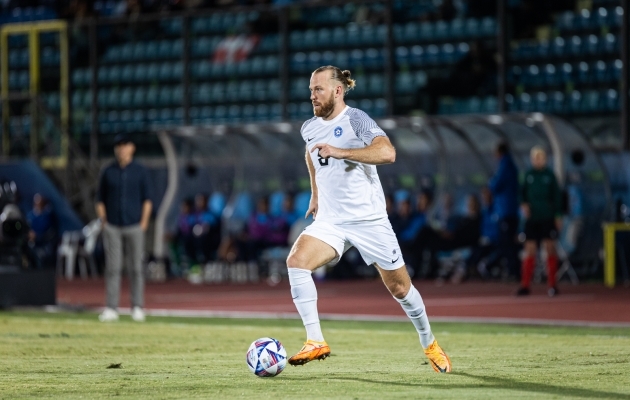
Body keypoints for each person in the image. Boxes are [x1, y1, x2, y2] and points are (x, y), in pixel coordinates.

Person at [285, 65, 451, 373]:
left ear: (338, 91)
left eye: (318, 89)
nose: (312, 95)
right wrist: (315, 193)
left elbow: (387, 153)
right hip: (332, 221)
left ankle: (430, 343)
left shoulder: (355, 119)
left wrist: (341, 151)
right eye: (310, 90)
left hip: (368, 220)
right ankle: (315, 340)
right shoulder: (309, 127)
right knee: (296, 262)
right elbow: (310, 155)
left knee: (401, 289)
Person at [96, 133, 152, 322]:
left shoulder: (140, 171)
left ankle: (137, 306)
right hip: (112, 225)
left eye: (124, 144)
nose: (121, 148)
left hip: (134, 225)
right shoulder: (108, 171)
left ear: (132, 147)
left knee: (136, 267)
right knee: (113, 268)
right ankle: (111, 307)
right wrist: (104, 220)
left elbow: (147, 200)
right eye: (118, 145)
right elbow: (99, 199)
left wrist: (144, 223)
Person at [517, 146, 563, 297]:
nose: (537, 160)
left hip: (547, 217)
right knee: (529, 249)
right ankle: (525, 285)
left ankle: (552, 284)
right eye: (535, 158)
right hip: (532, 219)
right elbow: (521, 194)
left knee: (549, 248)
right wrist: (523, 204)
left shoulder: (549, 176)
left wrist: (557, 215)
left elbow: (557, 196)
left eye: (540, 157)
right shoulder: (528, 175)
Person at [488, 141, 520, 279]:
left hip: (506, 210)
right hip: (509, 210)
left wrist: (491, 182)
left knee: (506, 242)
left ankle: (513, 271)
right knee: (507, 242)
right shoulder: (510, 165)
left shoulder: (505, 165)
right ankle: (510, 269)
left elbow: (495, 185)